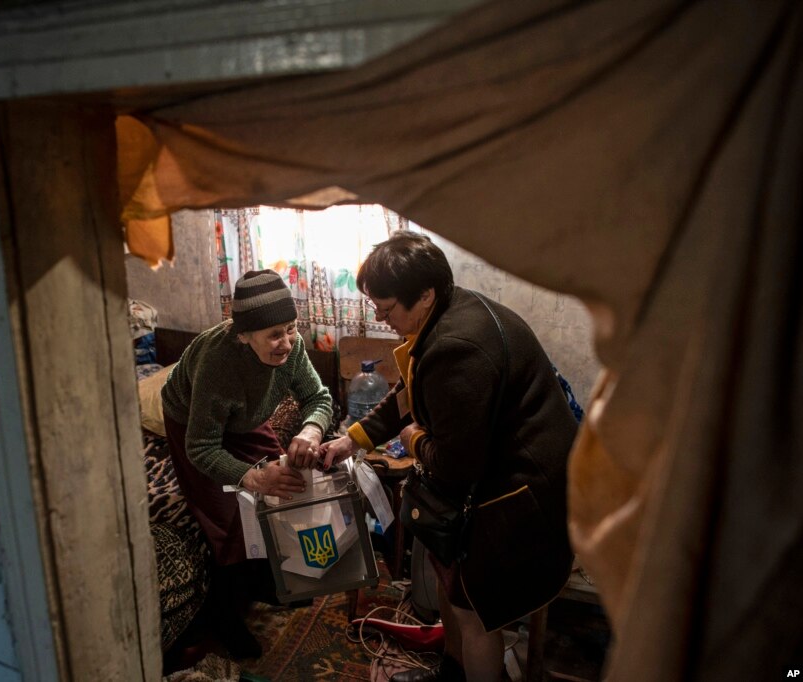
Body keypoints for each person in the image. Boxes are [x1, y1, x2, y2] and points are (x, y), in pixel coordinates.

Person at [318, 233, 576, 682]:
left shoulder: (457, 348)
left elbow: (457, 465)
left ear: (425, 295)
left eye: (386, 307)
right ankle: (451, 671)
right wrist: (352, 440)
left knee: (474, 610)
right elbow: (408, 391)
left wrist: (414, 439)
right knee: (450, 590)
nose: (379, 317)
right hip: (502, 470)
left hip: (522, 493)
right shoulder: (449, 311)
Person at [161, 269, 333, 658]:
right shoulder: (218, 363)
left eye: (291, 328)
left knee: (283, 489)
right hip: (195, 423)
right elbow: (202, 448)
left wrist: (309, 432)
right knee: (229, 516)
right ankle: (223, 618)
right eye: (274, 335)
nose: (286, 342)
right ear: (243, 336)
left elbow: (318, 400)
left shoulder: (293, 347)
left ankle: (265, 582)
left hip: (245, 416)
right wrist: (252, 477)